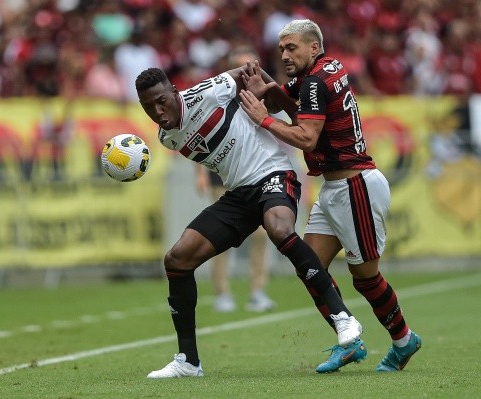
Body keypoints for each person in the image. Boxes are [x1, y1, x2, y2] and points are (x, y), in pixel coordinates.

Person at [135, 63, 365, 378]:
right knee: (177, 258)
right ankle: (188, 361)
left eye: (162, 100)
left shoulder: (207, 92)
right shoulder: (168, 138)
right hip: (240, 194)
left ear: (175, 92)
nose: (158, 111)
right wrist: (246, 111)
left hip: (273, 172)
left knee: (279, 228)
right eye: (149, 107)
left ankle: (343, 318)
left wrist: (281, 105)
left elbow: (249, 69)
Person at [238, 19, 421, 373]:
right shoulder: (324, 71)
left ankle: (403, 341)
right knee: (311, 267)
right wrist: (270, 89)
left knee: (366, 277)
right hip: (335, 187)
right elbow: (296, 105)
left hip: (357, 186)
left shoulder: (315, 81)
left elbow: (306, 136)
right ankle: (350, 340)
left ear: (313, 47)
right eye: (281, 50)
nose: (285, 55)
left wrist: (263, 118)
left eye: (292, 48)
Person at [195, 45, 276, 313]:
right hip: (222, 174)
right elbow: (201, 136)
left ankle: (257, 290)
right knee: (221, 236)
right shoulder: (220, 97)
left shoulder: (263, 96)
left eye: (251, 65)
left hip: (256, 172)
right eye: (242, 65)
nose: (247, 71)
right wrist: (200, 174)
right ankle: (222, 292)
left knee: (263, 235)